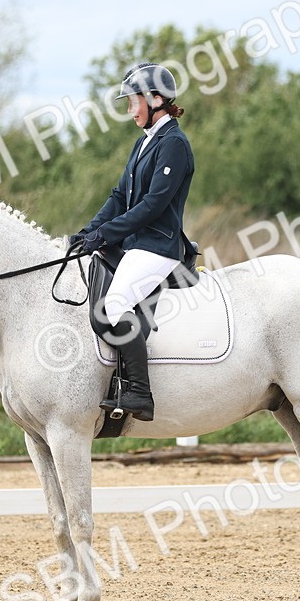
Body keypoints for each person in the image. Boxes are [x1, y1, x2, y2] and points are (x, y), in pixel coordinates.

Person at [69, 62, 195, 422]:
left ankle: (140, 392)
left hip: (159, 245)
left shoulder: (173, 144)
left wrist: (106, 235)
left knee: (114, 303)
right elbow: (119, 197)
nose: (129, 110)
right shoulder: (144, 143)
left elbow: (153, 205)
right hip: (137, 244)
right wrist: (87, 232)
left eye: (133, 101)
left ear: (156, 99)